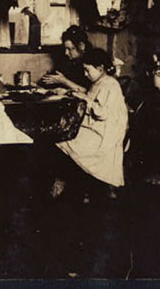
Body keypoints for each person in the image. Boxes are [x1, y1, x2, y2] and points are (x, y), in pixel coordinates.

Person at [43, 47, 129, 200]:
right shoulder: (101, 81)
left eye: (87, 71)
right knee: (61, 135)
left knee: (63, 138)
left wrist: (80, 97)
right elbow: (89, 94)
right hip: (98, 128)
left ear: (100, 68)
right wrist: (68, 91)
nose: (85, 74)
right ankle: (67, 182)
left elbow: (101, 112)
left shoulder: (110, 85)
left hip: (105, 135)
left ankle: (64, 183)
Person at [40, 25, 91, 93]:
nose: (66, 53)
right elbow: (53, 78)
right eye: (65, 49)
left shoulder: (91, 63)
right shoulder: (67, 60)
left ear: (82, 46)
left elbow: (87, 91)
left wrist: (63, 81)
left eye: (69, 49)